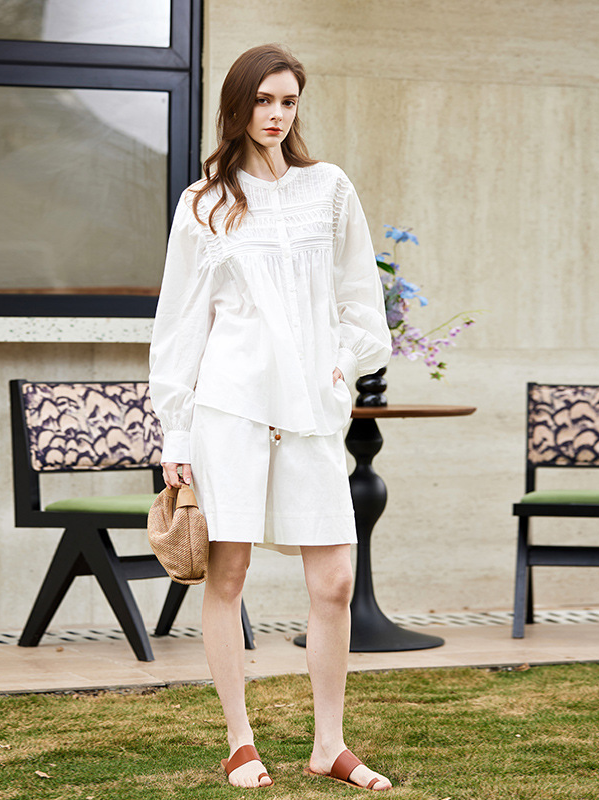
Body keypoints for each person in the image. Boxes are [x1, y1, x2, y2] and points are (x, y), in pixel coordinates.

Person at [148, 43, 393, 791]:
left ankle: (329, 745)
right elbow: (180, 325)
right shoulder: (203, 204)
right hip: (230, 409)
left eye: (288, 101)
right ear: (238, 105)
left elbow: (361, 299)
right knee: (228, 575)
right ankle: (239, 741)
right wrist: (176, 430)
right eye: (263, 100)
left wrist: (340, 363)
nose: (277, 114)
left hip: (311, 414)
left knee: (335, 582)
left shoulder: (330, 189)